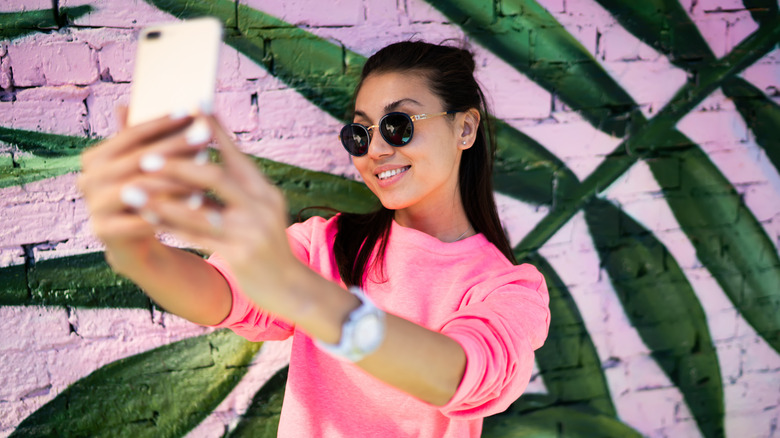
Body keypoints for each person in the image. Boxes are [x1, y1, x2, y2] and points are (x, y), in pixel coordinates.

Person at [78, 40, 550, 437]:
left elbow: (457, 375)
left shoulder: (508, 289)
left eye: (398, 126)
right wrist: (137, 251)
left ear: (464, 127)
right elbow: (219, 294)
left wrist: (298, 292)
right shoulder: (325, 244)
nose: (377, 150)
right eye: (360, 134)